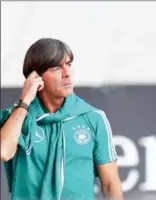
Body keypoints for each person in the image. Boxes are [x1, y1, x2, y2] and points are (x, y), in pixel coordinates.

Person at [0, 38, 124, 200]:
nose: (67, 73)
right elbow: (3, 152)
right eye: (57, 68)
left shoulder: (93, 118)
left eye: (69, 64)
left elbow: (110, 185)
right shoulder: (17, 116)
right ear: (36, 77)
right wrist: (25, 102)